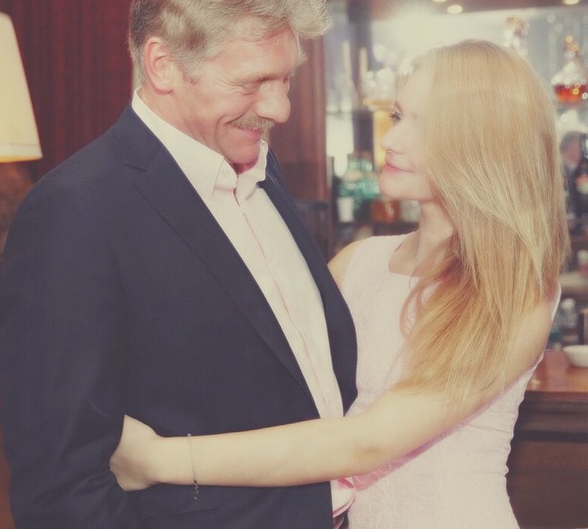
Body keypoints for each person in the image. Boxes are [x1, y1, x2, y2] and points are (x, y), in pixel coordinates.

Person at [110, 39, 570, 529]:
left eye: (428, 127)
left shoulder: (515, 293)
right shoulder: (359, 261)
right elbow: (270, 372)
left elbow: (367, 442)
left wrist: (157, 460)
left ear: (487, 147)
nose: (392, 140)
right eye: (398, 116)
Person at [0, 0, 358, 529]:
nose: (279, 109)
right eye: (252, 83)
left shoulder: (259, 168)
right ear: (163, 65)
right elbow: (61, 488)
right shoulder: (74, 214)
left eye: (286, 77)